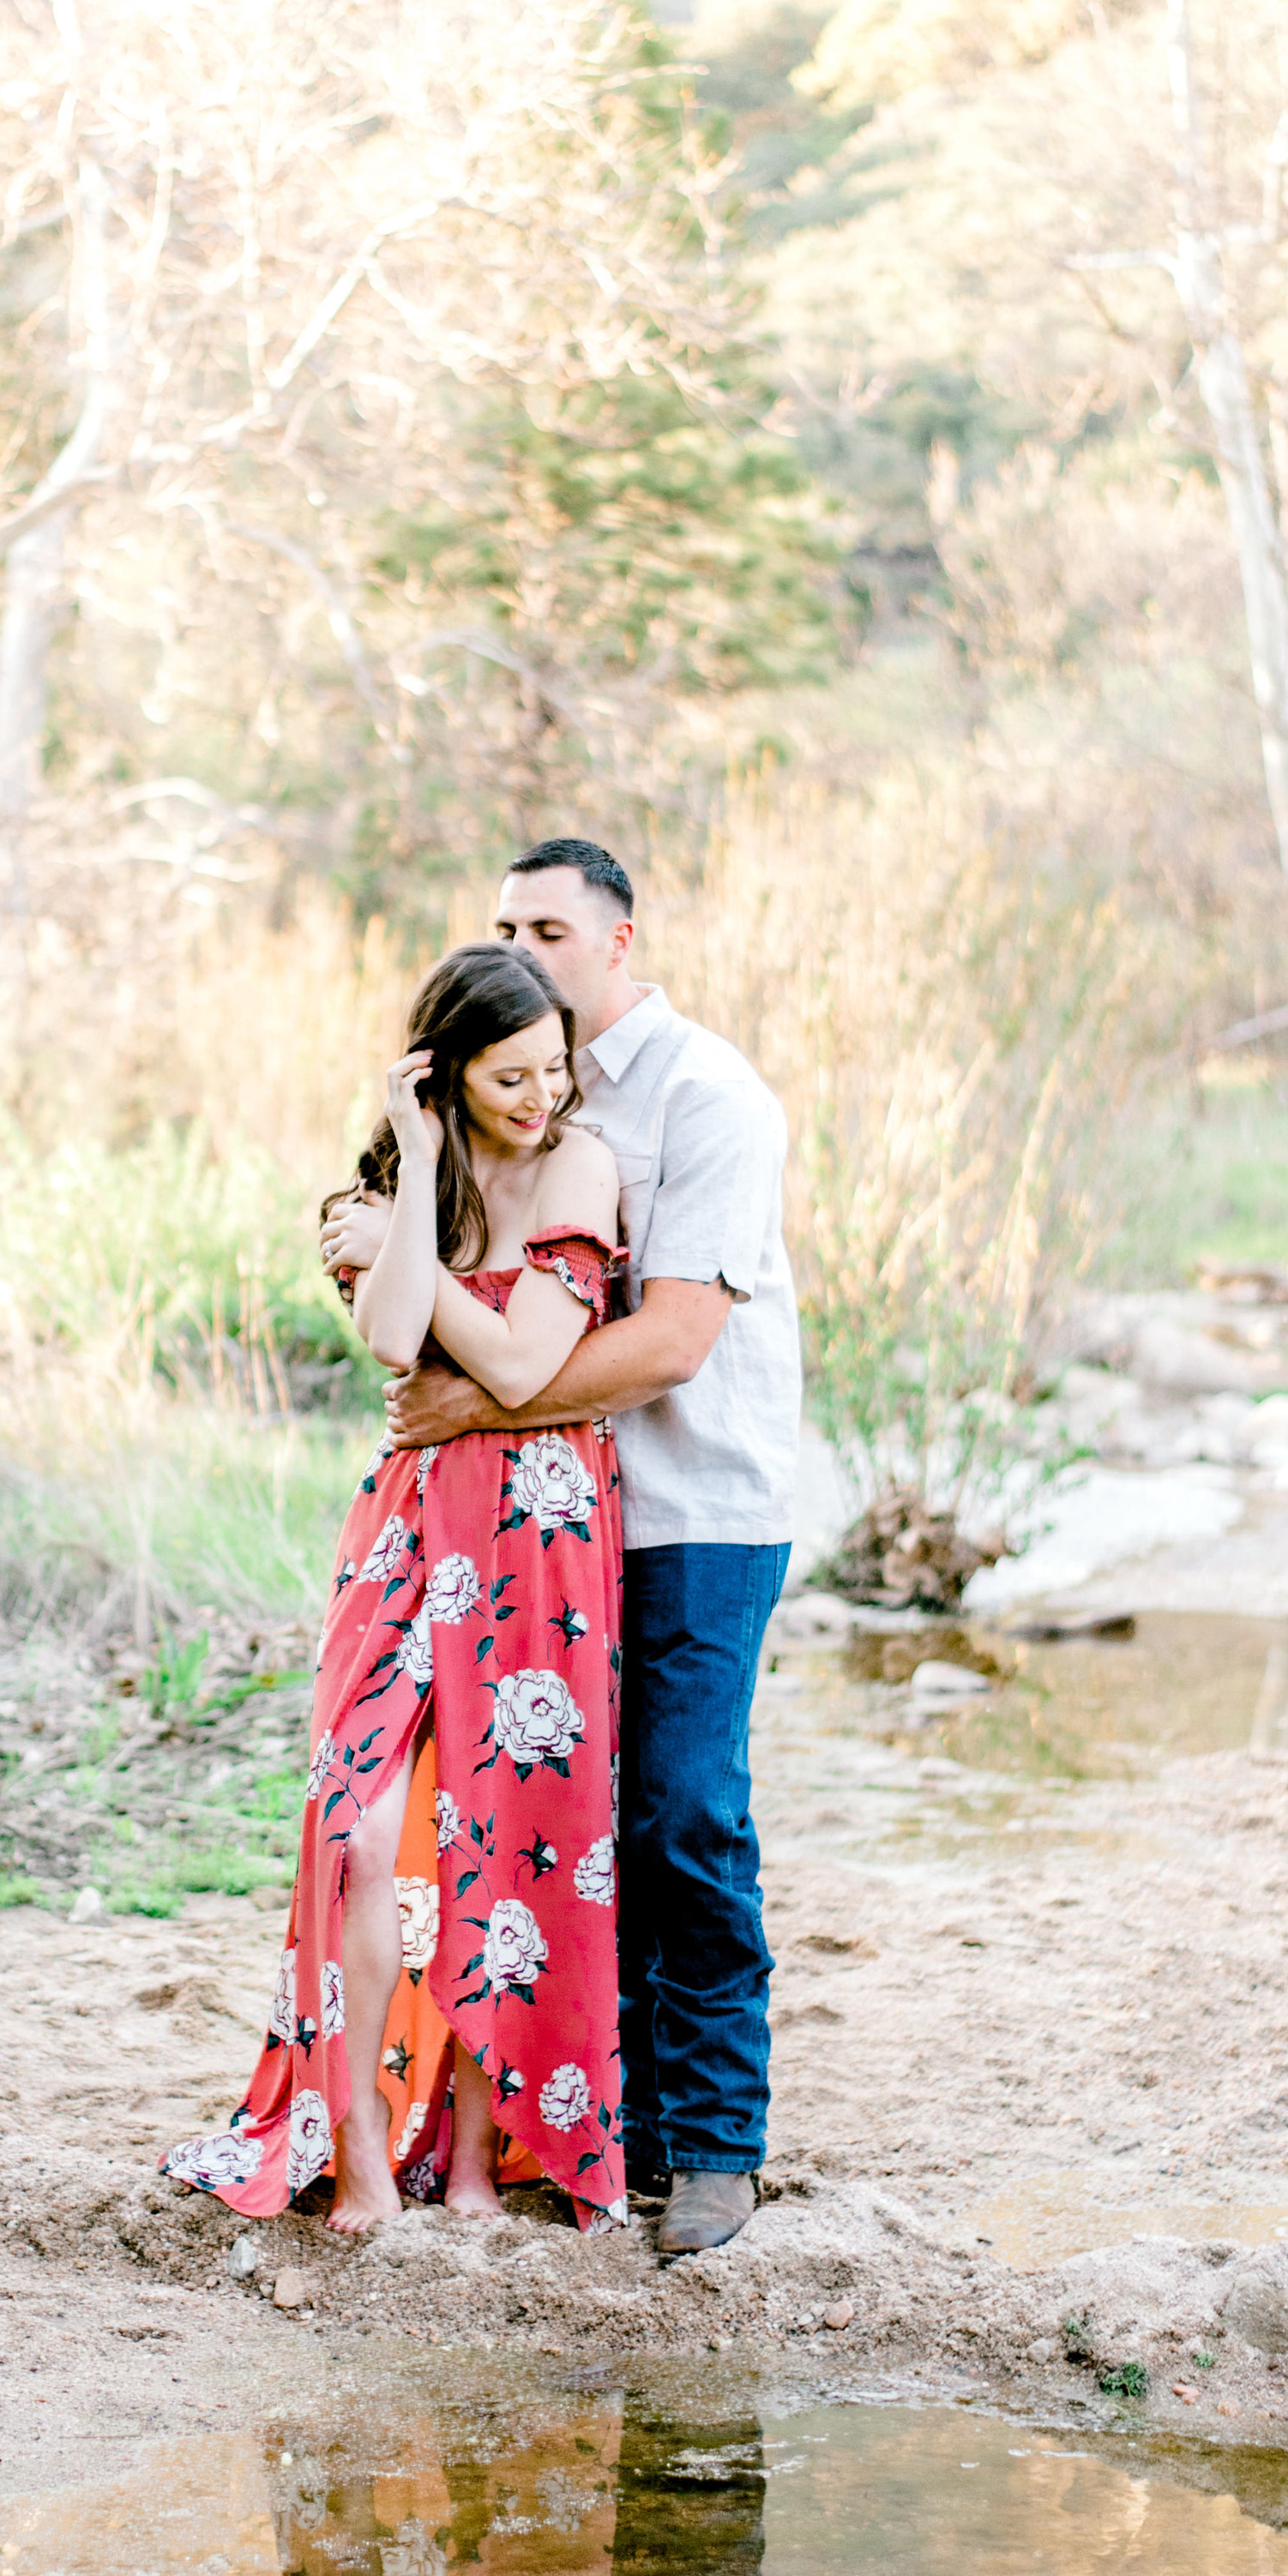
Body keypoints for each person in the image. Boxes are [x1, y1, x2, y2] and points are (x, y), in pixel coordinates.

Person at [166, 941, 628, 2233]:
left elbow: (535, 1368)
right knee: (364, 1828)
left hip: (542, 1536)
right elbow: (384, 1338)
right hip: (412, 1528)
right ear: (444, 1078)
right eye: (510, 1078)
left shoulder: (579, 1166)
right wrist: (418, 1177)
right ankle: (360, 2143)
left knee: (505, 1843)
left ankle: (478, 2161)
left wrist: (432, 1295)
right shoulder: (398, 1182)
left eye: (556, 1070)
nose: (542, 1097)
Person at [377, 840, 799, 2255]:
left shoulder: (709, 1098)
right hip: (554, 1530)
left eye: (552, 926)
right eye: (506, 926)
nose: (528, 948)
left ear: (622, 941)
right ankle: (613, 2131)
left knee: (685, 1812)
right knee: (578, 1832)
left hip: (701, 1511)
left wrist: (463, 1399)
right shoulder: (514, 1093)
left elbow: (675, 1342)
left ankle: (718, 2148)